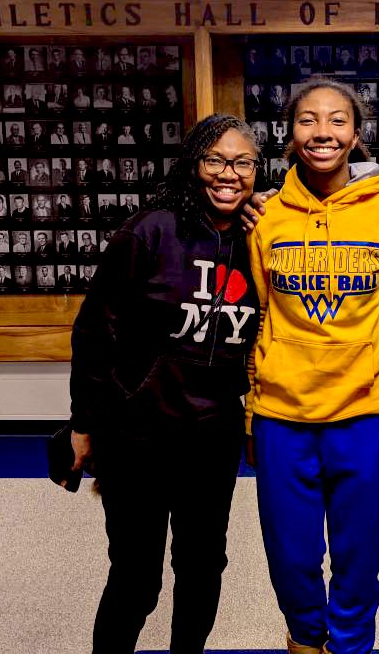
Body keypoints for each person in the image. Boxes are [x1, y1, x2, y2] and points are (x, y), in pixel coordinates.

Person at [67, 114, 262, 654]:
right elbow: (94, 332)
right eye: (216, 160)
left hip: (213, 435)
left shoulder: (259, 240)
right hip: (138, 436)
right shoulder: (148, 231)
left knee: (203, 567)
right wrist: (84, 423)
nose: (229, 174)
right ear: (193, 164)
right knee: (136, 575)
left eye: (243, 162)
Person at [246, 79, 379, 654]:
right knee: (290, 557)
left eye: (337, 121)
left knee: (359, 558)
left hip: (367, 413)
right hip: (281, 414)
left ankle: (351, 648)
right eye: (308, 121)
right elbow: (259, 314)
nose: (323, 133)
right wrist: (252, 411)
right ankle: (306, 643)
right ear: (290, 134)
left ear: (357, 134)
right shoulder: (263, 217)